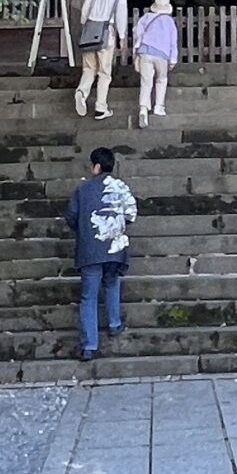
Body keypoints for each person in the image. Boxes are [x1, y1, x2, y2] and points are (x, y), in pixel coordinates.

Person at [64, 146, 138, 361]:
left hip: (90, 248)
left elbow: (71, 216)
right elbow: (131, 213)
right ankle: (114, 323)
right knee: (112, 283)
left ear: (96, 166)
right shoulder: (121, 187)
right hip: (114, 246)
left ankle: (89, 345)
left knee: (89, 295)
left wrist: (85, 229)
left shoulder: (83, 189)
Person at [74, 0, 131, 120]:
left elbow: (85, 9)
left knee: (88, 68)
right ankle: (101, 107)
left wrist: (86, 25)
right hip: (107, 33)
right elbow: (120, 14)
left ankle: (81, 92)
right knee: (104, 72)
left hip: (90, 30)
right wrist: (122, 36)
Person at [132, 0, 179, 127]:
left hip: (145, 52)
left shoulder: (146, 18)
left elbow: (137, 32)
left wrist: (137, 49)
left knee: (146, 82)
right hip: (162, 54)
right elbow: (173, 42)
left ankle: (143, 109)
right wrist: (173, 60)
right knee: (161, 79)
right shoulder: (170, 22)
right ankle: (159, 107)